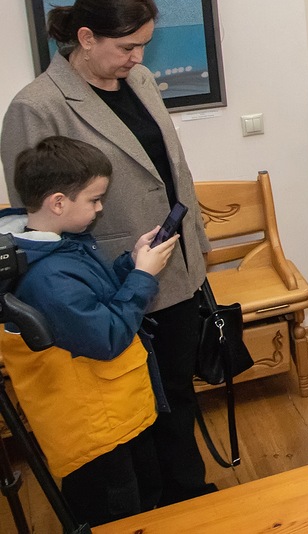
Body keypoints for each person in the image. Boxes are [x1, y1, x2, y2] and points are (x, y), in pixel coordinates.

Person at [1, 0, 215, 504]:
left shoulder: (137, 79)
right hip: (107, 285)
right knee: (134, 411)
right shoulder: (37, 106)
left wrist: (196, 241)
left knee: (178, 391)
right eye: (126, 47)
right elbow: (39, 211)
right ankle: (152, 508)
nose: (138, 58)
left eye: (144, 45)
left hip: (173, 264)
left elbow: (170, 167)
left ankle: (187, 496)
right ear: (85, 37)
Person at [0, 136, 179, 525]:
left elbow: (94, 296)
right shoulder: (47, 277)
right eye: (95, 199)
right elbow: (106, 336)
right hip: (95, 429)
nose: (100, 208)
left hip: (115, 409)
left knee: (143, 494)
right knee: (114, 513)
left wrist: (131, 264)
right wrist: (144, 278)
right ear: (58, 202)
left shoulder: (59, 247)